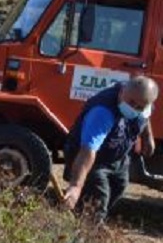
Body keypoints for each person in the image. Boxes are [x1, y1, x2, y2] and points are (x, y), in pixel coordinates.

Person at [63, 76, 158, 222]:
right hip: (93, 162)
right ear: (122, 92)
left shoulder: (143, 103)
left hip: (118, 158)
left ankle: (86, 218)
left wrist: (148, 138)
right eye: (131, 103)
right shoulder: (103, 112)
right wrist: (76, 186)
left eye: (140, 107)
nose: (134, 108)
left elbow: (145, 116)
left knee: (119, 187)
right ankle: (88, 229)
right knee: (98, 199)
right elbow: (88, 150)